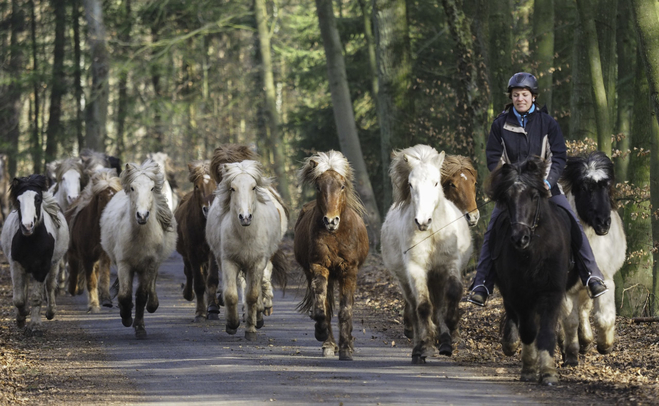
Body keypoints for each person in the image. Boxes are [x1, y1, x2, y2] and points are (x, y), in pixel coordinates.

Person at [467, 72, 608, 307]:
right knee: (493, 229)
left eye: (524, 94)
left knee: (573, 223)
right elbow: (494, 158)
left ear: (533, 97)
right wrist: (509, 181)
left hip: (545, 188)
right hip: (513, 190)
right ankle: (482, 282)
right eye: (515, 95)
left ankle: (592, 275)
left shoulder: (548, 123)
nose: (520, 99)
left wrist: (547, 181)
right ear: (510, 97)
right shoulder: (500, 124)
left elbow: (558, 156)